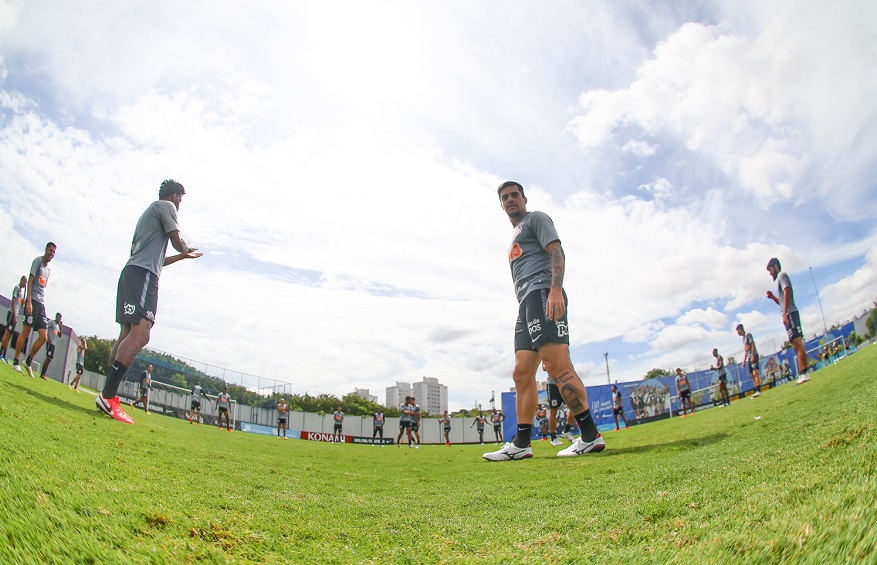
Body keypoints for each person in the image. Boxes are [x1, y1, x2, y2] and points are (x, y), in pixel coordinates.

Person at [483, 181, 604, 461]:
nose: (510, 199)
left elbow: (557, 252)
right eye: (505, 197)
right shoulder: (515, 235)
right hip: (525, 303)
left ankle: (589, 436)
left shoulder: (536, 218)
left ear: (524, 199)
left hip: (543, 293)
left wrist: (555, 289)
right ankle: (522, 444)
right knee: (522, 373)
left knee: (556, 365)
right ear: (501, 205)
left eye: (515, 195)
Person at [96, 179, 202, 424]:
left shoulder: (149, 213)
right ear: (175, 196)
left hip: (132, 272)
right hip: (144, 276)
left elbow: (160, 258)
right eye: (181, 199)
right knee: (142, 333)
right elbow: (177, 239)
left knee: (126, 333)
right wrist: (186, 247)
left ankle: (107, 394)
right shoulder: (167, 207)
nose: (180, 204)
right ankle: (108, 396)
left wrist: (181, 257)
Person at [11, 242, 57, 377]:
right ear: (45, 250)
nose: (51, 254)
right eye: (50, 251)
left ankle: (28, 361)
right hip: (33, 301)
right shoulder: (37, 261)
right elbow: (30, 281)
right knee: (26, 331)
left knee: (43, 337)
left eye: (54, 252)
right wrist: (28, 301)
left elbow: (43, 286)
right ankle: (15, 361)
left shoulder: (48, 270)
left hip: (41, 303)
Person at [766, 258, 811, 385]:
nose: (770, 273)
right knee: (794, 344)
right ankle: (803, 372)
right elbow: (781, 301)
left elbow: (787, 291)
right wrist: (773, 297)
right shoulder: (779, 279)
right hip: (787, 313)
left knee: (797, 341)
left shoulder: (781, 275)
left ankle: (805, 372)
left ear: (775, 266)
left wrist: (785, 313)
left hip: (791, 313)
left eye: (770, 270)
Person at [0, 275, 26, 363]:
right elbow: (13, 301)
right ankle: (1, 354)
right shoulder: (17, 288)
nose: (25, 284)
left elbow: (22, 305)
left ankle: (4, 354)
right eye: (25, 282)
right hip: (12, 313)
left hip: (16, 314)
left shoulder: (22, 292)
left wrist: (25, 293)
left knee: (10, 335)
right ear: (22, 280)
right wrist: (14, 315)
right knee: (7, 333)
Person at [736, 323, 762, 397]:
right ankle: (756, 389)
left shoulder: (748, 335)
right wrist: (744, 361)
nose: (737, 333)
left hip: (753, 355)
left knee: (755, 373)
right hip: (749, 358)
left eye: (738, 331)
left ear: (740, 329)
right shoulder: (743, 339)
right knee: (752, 375)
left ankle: (759, 390)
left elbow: (752, 344)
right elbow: (746, 350)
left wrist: (753, 355)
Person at [38, 312, 63, 380]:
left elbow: (60, 335)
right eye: (59, 317)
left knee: (49, 359)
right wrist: (48, 338)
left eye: (60, 318)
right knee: (48, 358)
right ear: (56, 317)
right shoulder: (52, 322)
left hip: (53, 344)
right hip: (50, 342)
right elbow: (46, 327)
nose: (59, 319)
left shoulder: (57, 326)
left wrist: (61, 327)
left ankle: (43, 374)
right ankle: (42, 374)